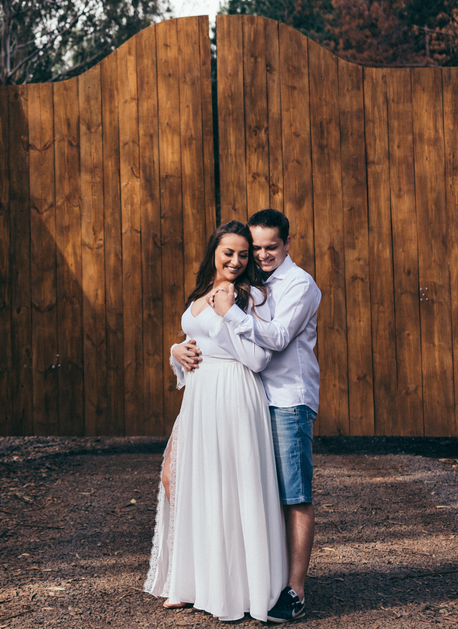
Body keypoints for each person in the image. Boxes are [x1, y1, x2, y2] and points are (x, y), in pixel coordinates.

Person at [173, 208, 321, 623]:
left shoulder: (298, 285)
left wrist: (230, 312)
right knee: (250, 493)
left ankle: (294, 591)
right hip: (250, 399)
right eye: (255, 247)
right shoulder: (253, 284)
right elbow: (207, 338)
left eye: (270, 247)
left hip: (287, 399)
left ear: (287, 244)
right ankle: (245, 580)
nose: (260, 255)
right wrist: (176, 349)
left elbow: (276, 338)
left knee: (293, 495)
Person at [143, 221, 288, 623]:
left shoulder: (252, 295)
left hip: (234, 393)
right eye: (229, 252)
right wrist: (175, 350)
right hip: (199, 396)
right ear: (214, 252)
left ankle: (234, 588)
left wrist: (228, 314)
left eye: (243, 254)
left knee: (229, 486)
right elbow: (195, 340)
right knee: (177, 477)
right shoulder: (201, 291)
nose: (237, 261)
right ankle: (192, 580)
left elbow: (258, 359)